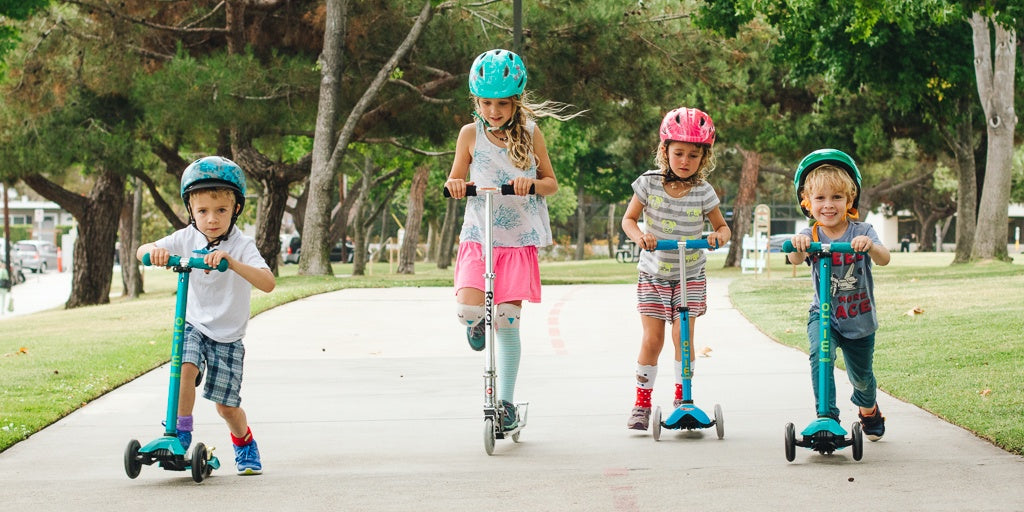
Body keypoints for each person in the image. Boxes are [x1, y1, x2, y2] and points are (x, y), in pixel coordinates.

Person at [444, 49, 581, 430]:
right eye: (485, 102)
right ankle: (475, 324)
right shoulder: (469, 134)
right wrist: (455, 184)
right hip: (479, 236)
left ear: (515, 101)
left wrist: (530, 183)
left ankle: (504, 404)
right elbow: (455, 177)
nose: (493, 110)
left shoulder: (532, 134)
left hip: (517, 241)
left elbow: (551, 184)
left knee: (507, 323)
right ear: (476, 101)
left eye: (501, 103)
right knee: (467, 310)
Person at [136, 156, 275, 474]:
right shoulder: (186, 238)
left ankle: (244, 444)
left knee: (226, 406)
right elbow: (141, 251)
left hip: (228, 335)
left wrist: (232, 262)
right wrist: (154, 253)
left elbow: (268, 283)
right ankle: (179, 434)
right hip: (194, 324)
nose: (211, 219)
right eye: (202, 211)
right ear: (191, 211)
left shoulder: (242, 245)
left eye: (221, 210)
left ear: (236, 209)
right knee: (184, 368)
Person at [621, 107, 731, 431]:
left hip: (690, 274)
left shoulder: (703, 192)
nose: (685, 161)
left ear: (704, 157)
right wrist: (641, 236)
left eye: (693, 155)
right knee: (653, 340)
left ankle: (684, 398)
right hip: (654, 274)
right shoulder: (648, 184)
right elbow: (628, 220)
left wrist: (715, 237)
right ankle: (642, 403)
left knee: (683, 337)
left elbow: (723, 228)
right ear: (665, 151)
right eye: (678, 153)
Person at [786, 148, 891, 441]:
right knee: (821, 357)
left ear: (850, 200)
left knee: (862, 379)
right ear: (807, 203)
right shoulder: (810, 236)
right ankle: (826, 418)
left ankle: (869, 409)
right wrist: (797, 245)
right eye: (820, 198)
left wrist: (869, 245)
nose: (828, 205)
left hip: (860, 319)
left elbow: (884, 258)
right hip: (824, 316)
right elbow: (795, 259)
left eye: (836, 197)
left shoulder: (863, 230)